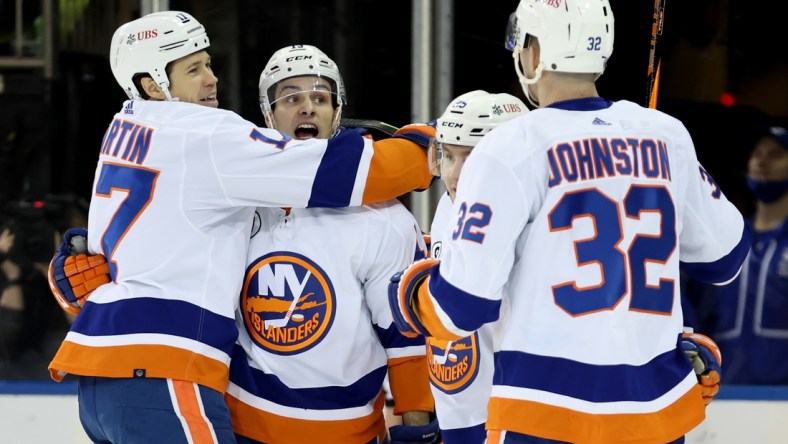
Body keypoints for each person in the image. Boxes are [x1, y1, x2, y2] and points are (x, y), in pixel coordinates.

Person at [45, 11, 434, 444]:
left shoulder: (124, 127)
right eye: (194, 69)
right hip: (164, 368)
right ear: (153, 85)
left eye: (208, 64)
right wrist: (433, 150)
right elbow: (343, 173)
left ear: (339, 108)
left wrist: (82, 271)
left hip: (104, 372)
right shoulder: (211, 140)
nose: (212, 79)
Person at [387, 1, 750, 443]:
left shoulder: (508, 148)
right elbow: (726, 260)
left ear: (536, 55)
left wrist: (411, 293)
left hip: (544, 414)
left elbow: (459, 308)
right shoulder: (666, 134)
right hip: (656, 412)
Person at [225, 44, 438, 444]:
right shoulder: (233, 203)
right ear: (267, 114)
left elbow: (406, 334)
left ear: (336, 112)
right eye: (290, 97)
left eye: (320, 97)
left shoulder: (383, 217)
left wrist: (418, 424)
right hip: (241, 428)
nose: (307, 108)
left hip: (350, 432)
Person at [425, 90, 528, 444]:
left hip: (511, 420)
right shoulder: (448, 206)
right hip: (458, 414)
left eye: (471, 158)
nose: (453, 174)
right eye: (448, 156)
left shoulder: (533, 224)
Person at [691, 125, 788, 384]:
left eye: (775, 154)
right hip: (719, 388)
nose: (761, 161)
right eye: (756, 153)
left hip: (781, 397)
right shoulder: (727, 236)